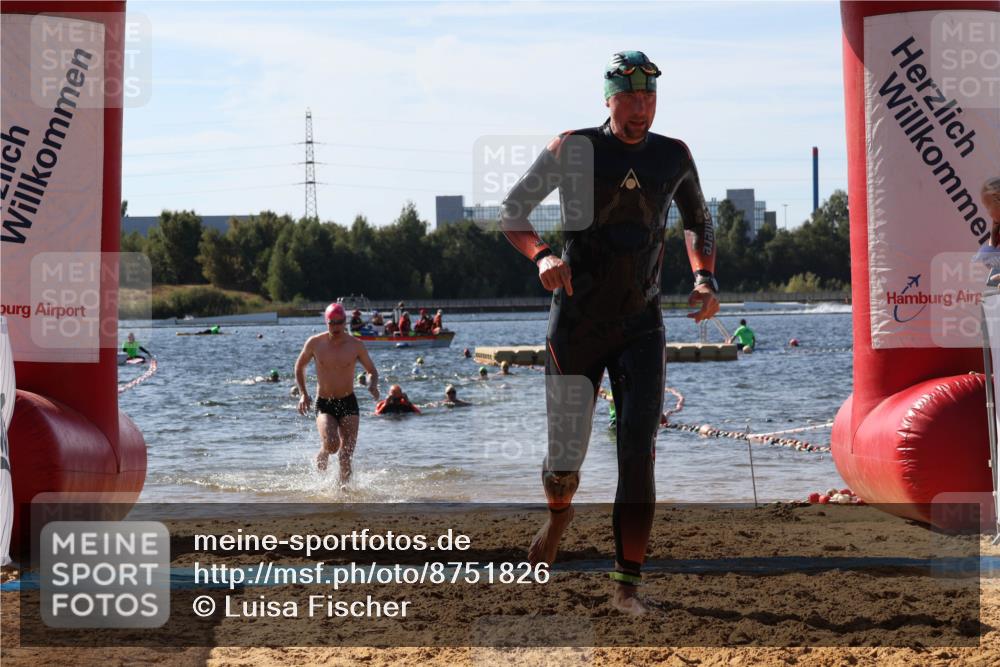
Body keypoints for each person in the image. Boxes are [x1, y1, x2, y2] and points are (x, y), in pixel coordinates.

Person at [499, 50, 719, 615]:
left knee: (637, 455)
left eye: (650, 97)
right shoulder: (575, 148)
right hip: (575, 323)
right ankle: (559, 517)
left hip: (643, 325)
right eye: (631, 97)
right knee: (564, 461)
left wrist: (703, 277)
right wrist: (542, 254)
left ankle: (627, 587)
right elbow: (513, 212)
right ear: (609, 98)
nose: (642, 108)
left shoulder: (674, 155)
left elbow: (699, 220)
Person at [295, 303, 380, 485]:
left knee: (345, 455)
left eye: (339, 322)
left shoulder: (355, 345)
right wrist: (303, 394)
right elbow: (299, 366)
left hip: (348, 402)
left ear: (345, 321)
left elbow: (372, 370)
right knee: (332, 444)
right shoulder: (315, 343)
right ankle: (324, 453)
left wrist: (372, 384)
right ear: (326, 322)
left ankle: (343, 494)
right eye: (332, 323)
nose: (336, 327)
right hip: (325, 403)